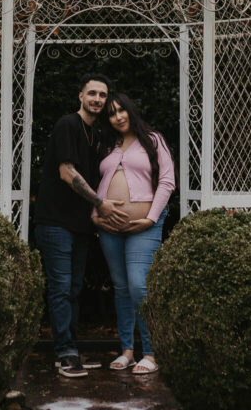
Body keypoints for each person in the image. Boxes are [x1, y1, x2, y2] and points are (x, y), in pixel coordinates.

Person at [34, 73, 129, 378]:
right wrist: (100, 204)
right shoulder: (68, 125)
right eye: (92, 94)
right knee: (61, 288)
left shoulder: (95, 134)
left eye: (102, 95)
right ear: (80, 96)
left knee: (73, 289)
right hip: (55, 222)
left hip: (79, 225)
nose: (98, 100)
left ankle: (70, 348)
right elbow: (66, 172)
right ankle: (64, 353)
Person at [93, 93, 175, 375]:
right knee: (121, 288)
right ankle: (127, 350)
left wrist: (150, 218)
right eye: (112, 113)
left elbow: (166, 181)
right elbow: (96, 183)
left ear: (131, 110)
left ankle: (151, 352)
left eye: (121, 110)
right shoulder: (107, 145)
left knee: (139, 286)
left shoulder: (153, 140)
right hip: (109, 228)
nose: (118, 117)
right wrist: (96, 216)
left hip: (144, 225)